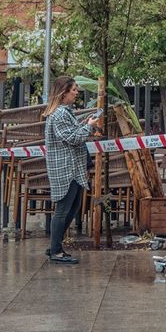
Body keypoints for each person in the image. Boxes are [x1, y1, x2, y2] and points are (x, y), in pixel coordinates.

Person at [43, 76, 103, 264]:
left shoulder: (65, 113)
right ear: (63, 93)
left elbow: (72, 133)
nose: (77, 93)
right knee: (63, 209)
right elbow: (72, 138)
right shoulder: (59, 114)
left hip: (73, 167)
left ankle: (56, 243)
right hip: (65, 168)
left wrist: (84, 124)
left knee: (74, 206)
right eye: (74, 90)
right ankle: (55, 250)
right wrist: (88, 127)